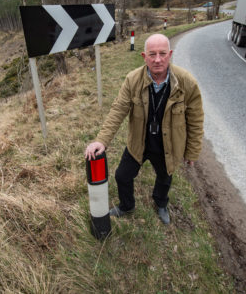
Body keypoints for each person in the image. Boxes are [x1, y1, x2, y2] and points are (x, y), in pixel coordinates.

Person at [84, 33, 204, 225]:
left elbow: (196, 120)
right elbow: (118, 110)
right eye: (152, 54)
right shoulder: (133, 80)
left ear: (170, 54)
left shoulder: (187, 83)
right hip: (139, 142)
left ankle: (161, 203)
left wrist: (192, 151)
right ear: (144, 56)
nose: (158, 59)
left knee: (165, 179)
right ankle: (126, 205)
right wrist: (101, 140)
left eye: (163, 53)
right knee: (122, 176)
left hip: (169, 145)